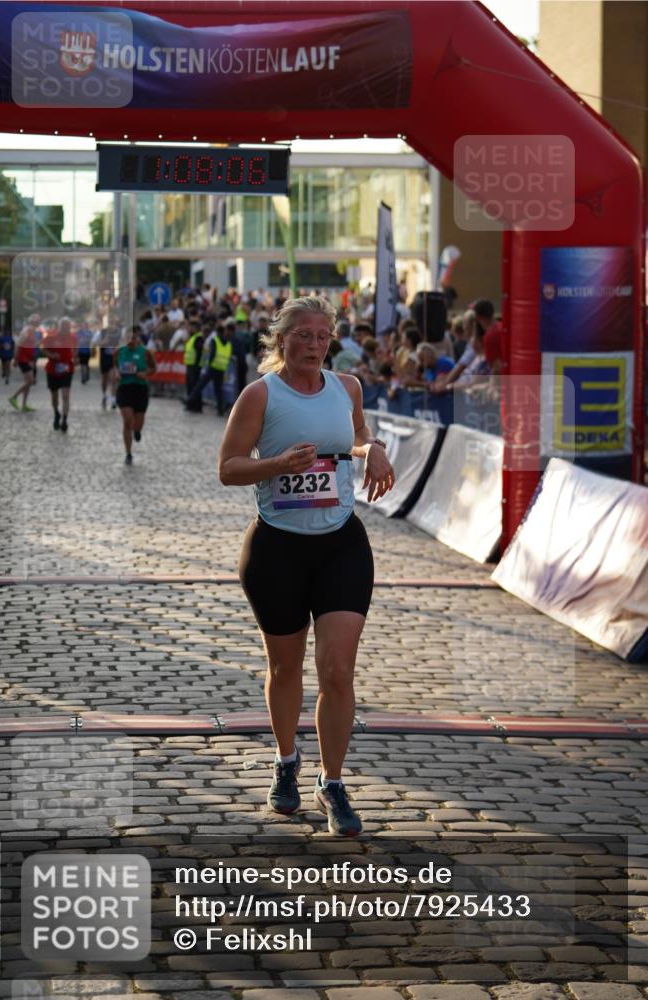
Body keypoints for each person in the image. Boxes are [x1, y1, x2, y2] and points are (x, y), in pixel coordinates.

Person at [218, 295, 395, 837]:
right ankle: (286, 759)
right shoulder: (259, 395)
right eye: (303, 336)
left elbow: (357, 435)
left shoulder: (347, 388)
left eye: (322, 336)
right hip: (276, 547)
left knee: (339, 669)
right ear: (282, 340)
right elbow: (228, 468)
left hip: (341, 542)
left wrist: (375, 448)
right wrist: (277, 463)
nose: (314, 345)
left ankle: (334, 783)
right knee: (284, 668)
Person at [114, 325, 156, 465]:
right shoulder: (119, 352)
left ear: (138, 338)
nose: (130, 340)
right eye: (128, 338)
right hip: (125, 388)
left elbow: (153, 368)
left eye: (133, 338)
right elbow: (115, 367)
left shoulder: (145, 352)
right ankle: (128, 453)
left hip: (140, 389)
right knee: (127, 421)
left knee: (138, 422)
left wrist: (145, 373)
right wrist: (116, 373)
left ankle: (137, 431)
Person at [184, 321, 233, 415]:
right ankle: (220, 411)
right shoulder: (228, 344)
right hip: (221, 369)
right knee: (218, 390)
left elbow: (212, 354)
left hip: (212, 368)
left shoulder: (215, 340)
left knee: (199, 386)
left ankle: (189, 400)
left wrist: (208, 365)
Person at [42, 317, 77, 432]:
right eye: (64, 326)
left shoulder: (72, 337)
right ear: (59, 326)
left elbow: (75, 350)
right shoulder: (51, 336)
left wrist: (75, 358)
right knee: (54, 396)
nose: (66, 329)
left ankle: (64, 420)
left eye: (68, 326)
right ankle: (56, 414)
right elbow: (44, 349)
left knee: (66, 395)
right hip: (52, 370)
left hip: (67, 369)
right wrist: (51, 355)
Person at [8, 322, 38, 412]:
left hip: (28, 360)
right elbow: (18, 346)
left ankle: (24, 405)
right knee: (31, 381)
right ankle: (14, 397)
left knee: (28, 383)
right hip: (23, 360)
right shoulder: (25, 334)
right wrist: (16, 359)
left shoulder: (31, 335)